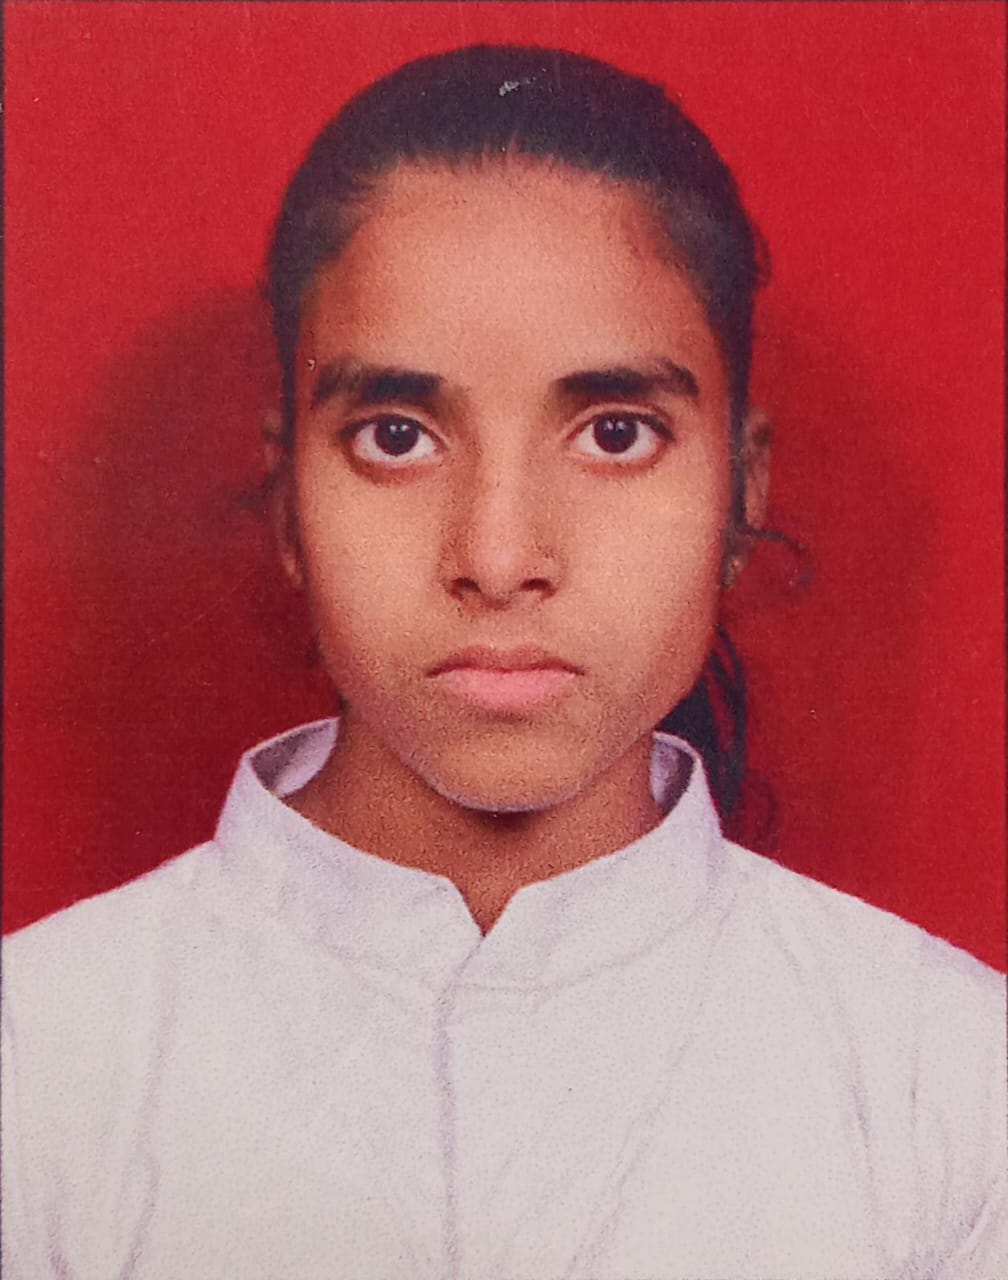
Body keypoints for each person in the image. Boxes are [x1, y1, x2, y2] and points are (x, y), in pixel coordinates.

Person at [2, 44, 1004, 1279]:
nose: (497, 555)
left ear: (742, 485)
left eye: (616, 432)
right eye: (396, 434)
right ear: (288, 493)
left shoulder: (951, 1090)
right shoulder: (33, 1070)